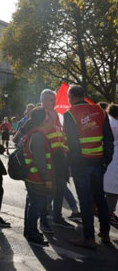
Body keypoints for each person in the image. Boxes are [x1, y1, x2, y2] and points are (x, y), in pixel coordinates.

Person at [64, 85, 113, 248]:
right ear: (83, 95)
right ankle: (105, 233)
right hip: (98, 161)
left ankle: (89, 238)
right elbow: (108, 138)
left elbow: (71, 142)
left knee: (85, 200)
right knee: (100, 198)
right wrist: (106, 159)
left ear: (71, 97)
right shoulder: (100, 110)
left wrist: (74, 164)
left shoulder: (69, 113)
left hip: (81, 164)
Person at [40, 89, 74, 229]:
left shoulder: (57, 115)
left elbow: (61, 134)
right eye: (48, 99)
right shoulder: (40, 114)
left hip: (60, 156)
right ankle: (43, 220)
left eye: (53, 99)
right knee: (47, 188)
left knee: (60, 187)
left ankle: (57, 217)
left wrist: (66, 150)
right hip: (48, 156)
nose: (52, 101)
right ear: (42, 100)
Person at [20, 107, 54, 246]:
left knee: (31, 204)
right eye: (47, 116)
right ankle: (33, 234)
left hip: (31, 177)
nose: (48, 118)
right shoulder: (38, 136)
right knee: (36, 206)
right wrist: (47, 179)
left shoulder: (33, 133)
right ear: (42, 119)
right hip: (37, 178)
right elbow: (40, 161)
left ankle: (29, 231)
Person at [104, 104, 118, 226]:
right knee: (113, 192)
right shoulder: (116, 124)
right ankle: (109, 214)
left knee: (109, 191)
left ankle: (107, 215)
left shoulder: (108, 122)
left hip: (109, 159)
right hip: (114, 160)